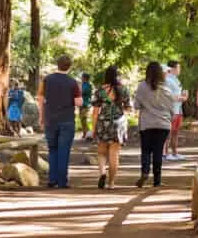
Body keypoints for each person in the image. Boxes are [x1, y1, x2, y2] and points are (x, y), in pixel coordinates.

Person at [133, 61, 181, 187]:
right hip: (163, 124)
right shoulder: (166, 88)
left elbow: (136, 105)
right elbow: (172, 108)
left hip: (146, 124)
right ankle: (157, 180)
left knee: (146, 150)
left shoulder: (142, 86)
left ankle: (144, 172)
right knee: (158, 151)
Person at [37, 55, 82, 188]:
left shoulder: (46, 80)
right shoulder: (73, 82)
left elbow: (40, 98)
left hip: (50, 119)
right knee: (64, 150)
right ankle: (62, 181)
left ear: (57, 64)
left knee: (52, 149)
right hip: (67, 119)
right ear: (70, 67)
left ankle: (52, 179)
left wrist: (42, 117)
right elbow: (78, 102)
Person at [92, 65, 131, 189]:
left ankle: (103, 173)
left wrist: (93, 128)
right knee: (114, 154)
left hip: (103, 123)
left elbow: (95, 112)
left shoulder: (99, 91)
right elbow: (128, 108)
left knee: (101, 152)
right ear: (117, 75)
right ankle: (111, 183)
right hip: (118, 124)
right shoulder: (123, 90)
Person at [164, 60, 189, 160]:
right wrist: (182, 97)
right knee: (168, 133)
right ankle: (165, 153)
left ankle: (175, 152)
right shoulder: (167, 80)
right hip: (171, 110)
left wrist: (183, 96)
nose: (180, 70)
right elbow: (168, 95)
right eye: (178, 68)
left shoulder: (176, 80)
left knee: (175, 132)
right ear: (173, 69)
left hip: (178, 109)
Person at [79, 72, 94, 140]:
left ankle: (89, 134)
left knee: (84, 118)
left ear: (85, 78)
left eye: (82, 77)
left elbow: (82, 92)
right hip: (82, 103)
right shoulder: (83, 84)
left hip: (86, 104)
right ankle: (85, 133)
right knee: (82, 119)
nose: (81, 78)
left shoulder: (88, 85)